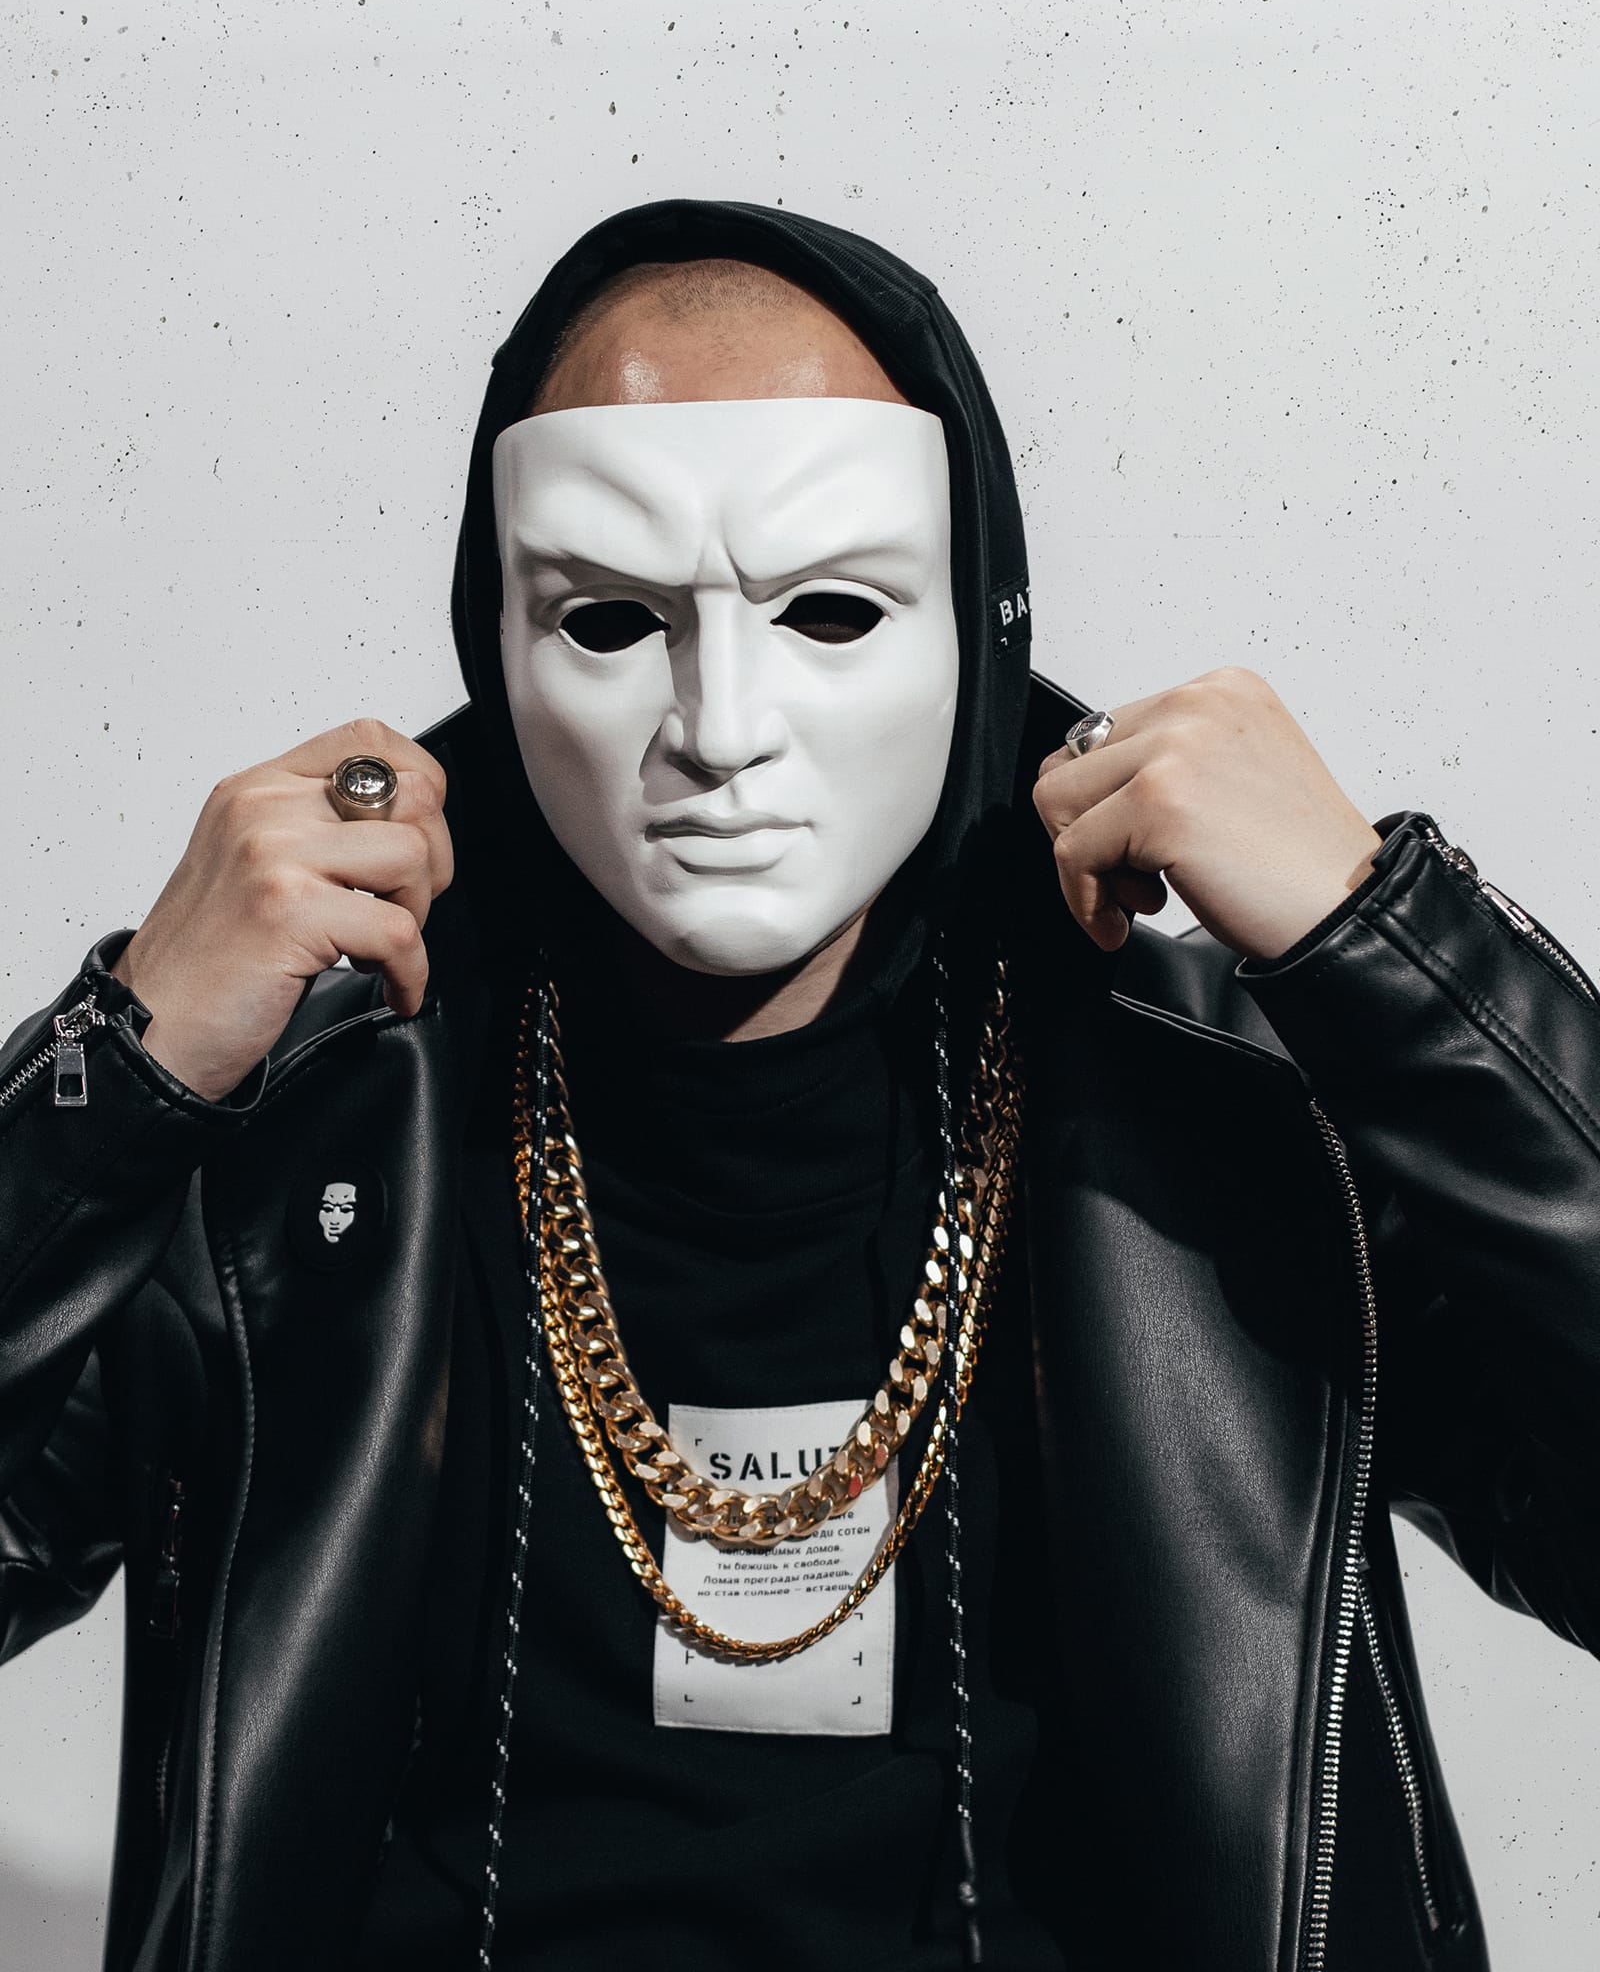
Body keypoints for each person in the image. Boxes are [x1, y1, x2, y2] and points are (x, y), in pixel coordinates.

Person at [2, 197, 1597, 1972]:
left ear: (976, 627)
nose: (719, 729)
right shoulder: (312, 1122)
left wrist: (1391, 945)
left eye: (830, 609)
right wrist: (124, 1065)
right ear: (493, 640)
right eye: (612, 618)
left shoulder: (1231, 1108)